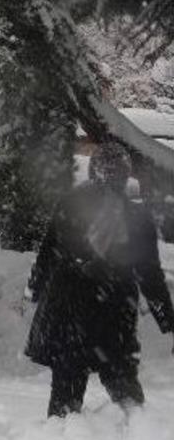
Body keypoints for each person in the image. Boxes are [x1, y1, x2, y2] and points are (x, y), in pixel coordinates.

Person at [25, 142, 174, 417]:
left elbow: (48, 254)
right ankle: (138, 431)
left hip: (73, 311)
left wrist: (34, 290)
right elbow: (149, 273)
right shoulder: (134, 216)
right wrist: (167, 318)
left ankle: (63, 434)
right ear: (125, 175)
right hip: (112, 312)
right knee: (123, 385)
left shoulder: (72, 205)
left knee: (68, 391)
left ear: (94, 171)